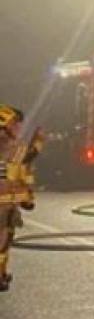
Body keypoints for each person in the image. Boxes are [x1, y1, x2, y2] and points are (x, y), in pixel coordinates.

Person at [0, 105, 41, 292]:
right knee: (3, 242)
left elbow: (21, 173)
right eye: (15, 124)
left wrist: (27, 196)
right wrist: (38, 142)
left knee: (5, 241)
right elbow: (19, 170)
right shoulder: (12, 149)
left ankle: (2, 273)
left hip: (8, 205)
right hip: (3, 207)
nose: (18, 128)